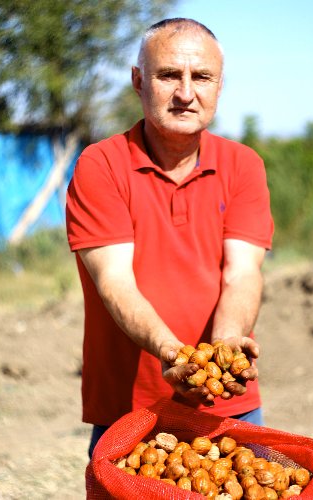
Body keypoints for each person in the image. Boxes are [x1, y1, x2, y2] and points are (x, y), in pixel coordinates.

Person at [65, 18, 274, 458]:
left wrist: (227, 342)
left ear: (219, 87)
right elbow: (115, 280)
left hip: (228, 404)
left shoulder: (243, 166)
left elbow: (242, 272)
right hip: (130, 408)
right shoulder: (100, 165)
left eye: (201, 77)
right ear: (138, 82)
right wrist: (170, 353)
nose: (185, 93)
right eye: (168, 76)